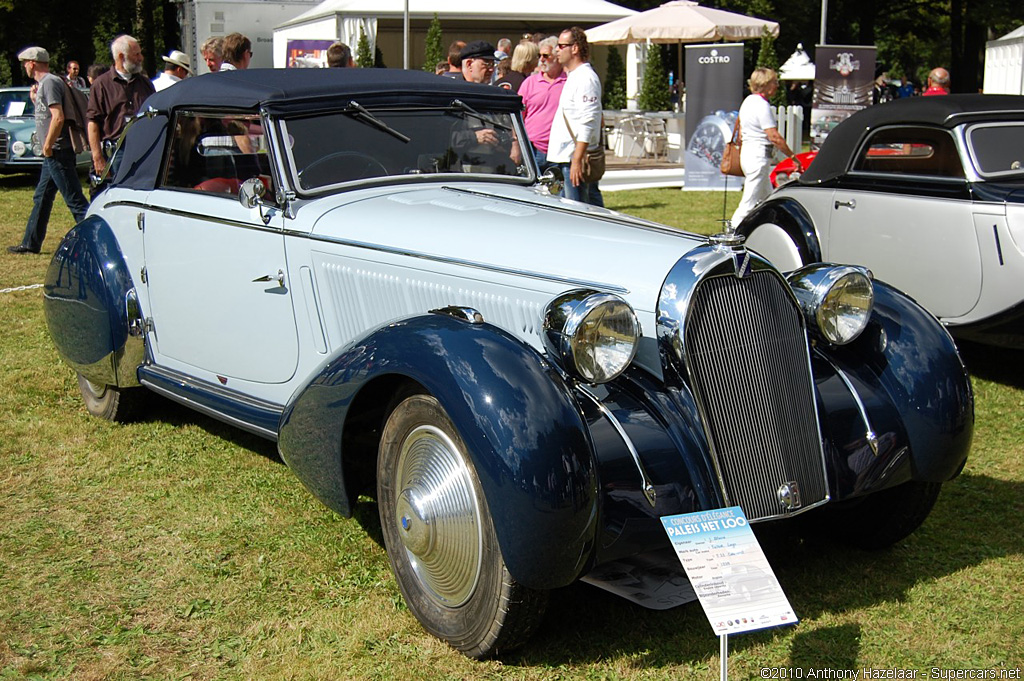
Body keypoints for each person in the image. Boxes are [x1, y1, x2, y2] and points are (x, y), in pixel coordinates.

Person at [7, 47, 90, 254]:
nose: (25, 67)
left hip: (57, 151)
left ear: (32, 63)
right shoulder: (45, 84)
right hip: (53, 152)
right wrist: (36, 101)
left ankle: (95, 242)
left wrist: (47, 145)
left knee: (75, 201)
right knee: (42, 197)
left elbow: (58, 117)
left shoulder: (50, 82)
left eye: (25, 63)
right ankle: (30, 243)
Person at [730, 67, 802, 228]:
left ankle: (774, 225)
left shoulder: (747, 102)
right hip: (758, 157)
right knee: (748, 202)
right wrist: (792, 157)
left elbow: (741, 134)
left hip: (747, 155)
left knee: (768, 198)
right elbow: (774, 136)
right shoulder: (762, 106)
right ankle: (732, 231)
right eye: (774, 82)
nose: (776, 86)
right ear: (766, 84)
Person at [86, 34, 155, 182]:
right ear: (121, 56)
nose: (141, 58)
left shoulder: (145, 84)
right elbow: (93, 123)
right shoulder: (101, 85)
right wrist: (97, 157)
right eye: (136, 54)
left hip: (144, 147)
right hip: (117, 151)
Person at [547, 27, 604, 206]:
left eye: (561, 45)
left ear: (575, 48)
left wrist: (577, 160)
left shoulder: (586, 78)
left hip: (573, 159)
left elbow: (588, 121)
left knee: (579, 210)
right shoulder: (574, 76)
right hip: (566, 158)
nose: (557, 49)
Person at [518, 36, 566, 172]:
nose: (541, 59)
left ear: (558, 56)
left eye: (546, 55)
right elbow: (518, 115)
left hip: (559, 151)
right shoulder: (529, 83)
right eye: (539, 55)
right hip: (532, 149)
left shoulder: (568, 82)